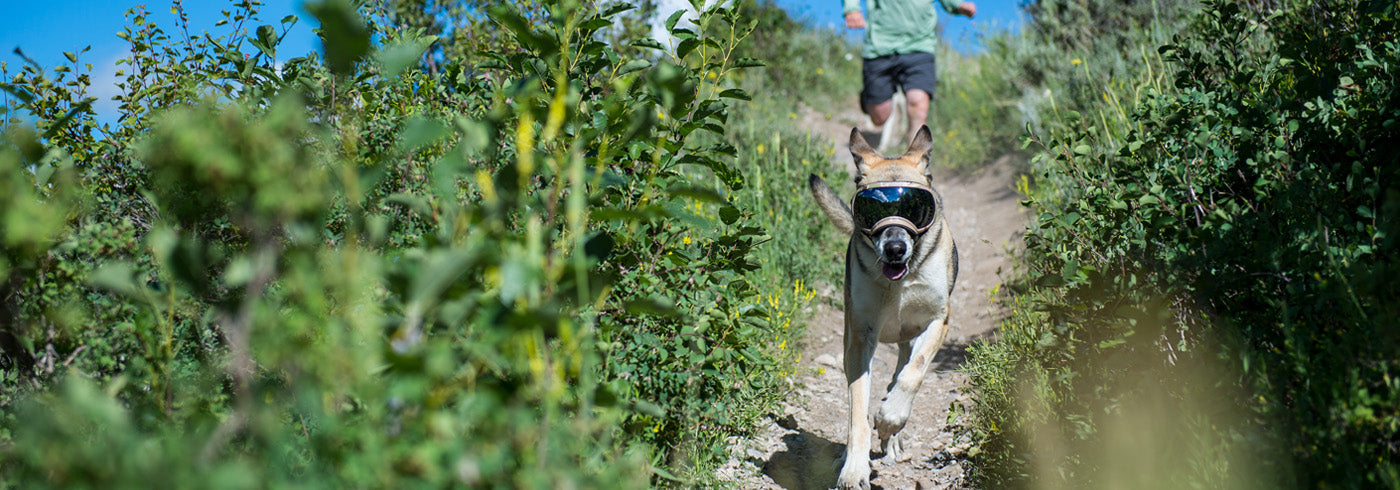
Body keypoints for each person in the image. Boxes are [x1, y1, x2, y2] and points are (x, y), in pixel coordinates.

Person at [844, 0, 976, 148]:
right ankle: (869, 97)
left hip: (919, 46)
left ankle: (914, 165)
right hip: (880, 46)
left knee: (918, 104)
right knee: (880, 116)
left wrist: (958, 5)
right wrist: (851, 8)